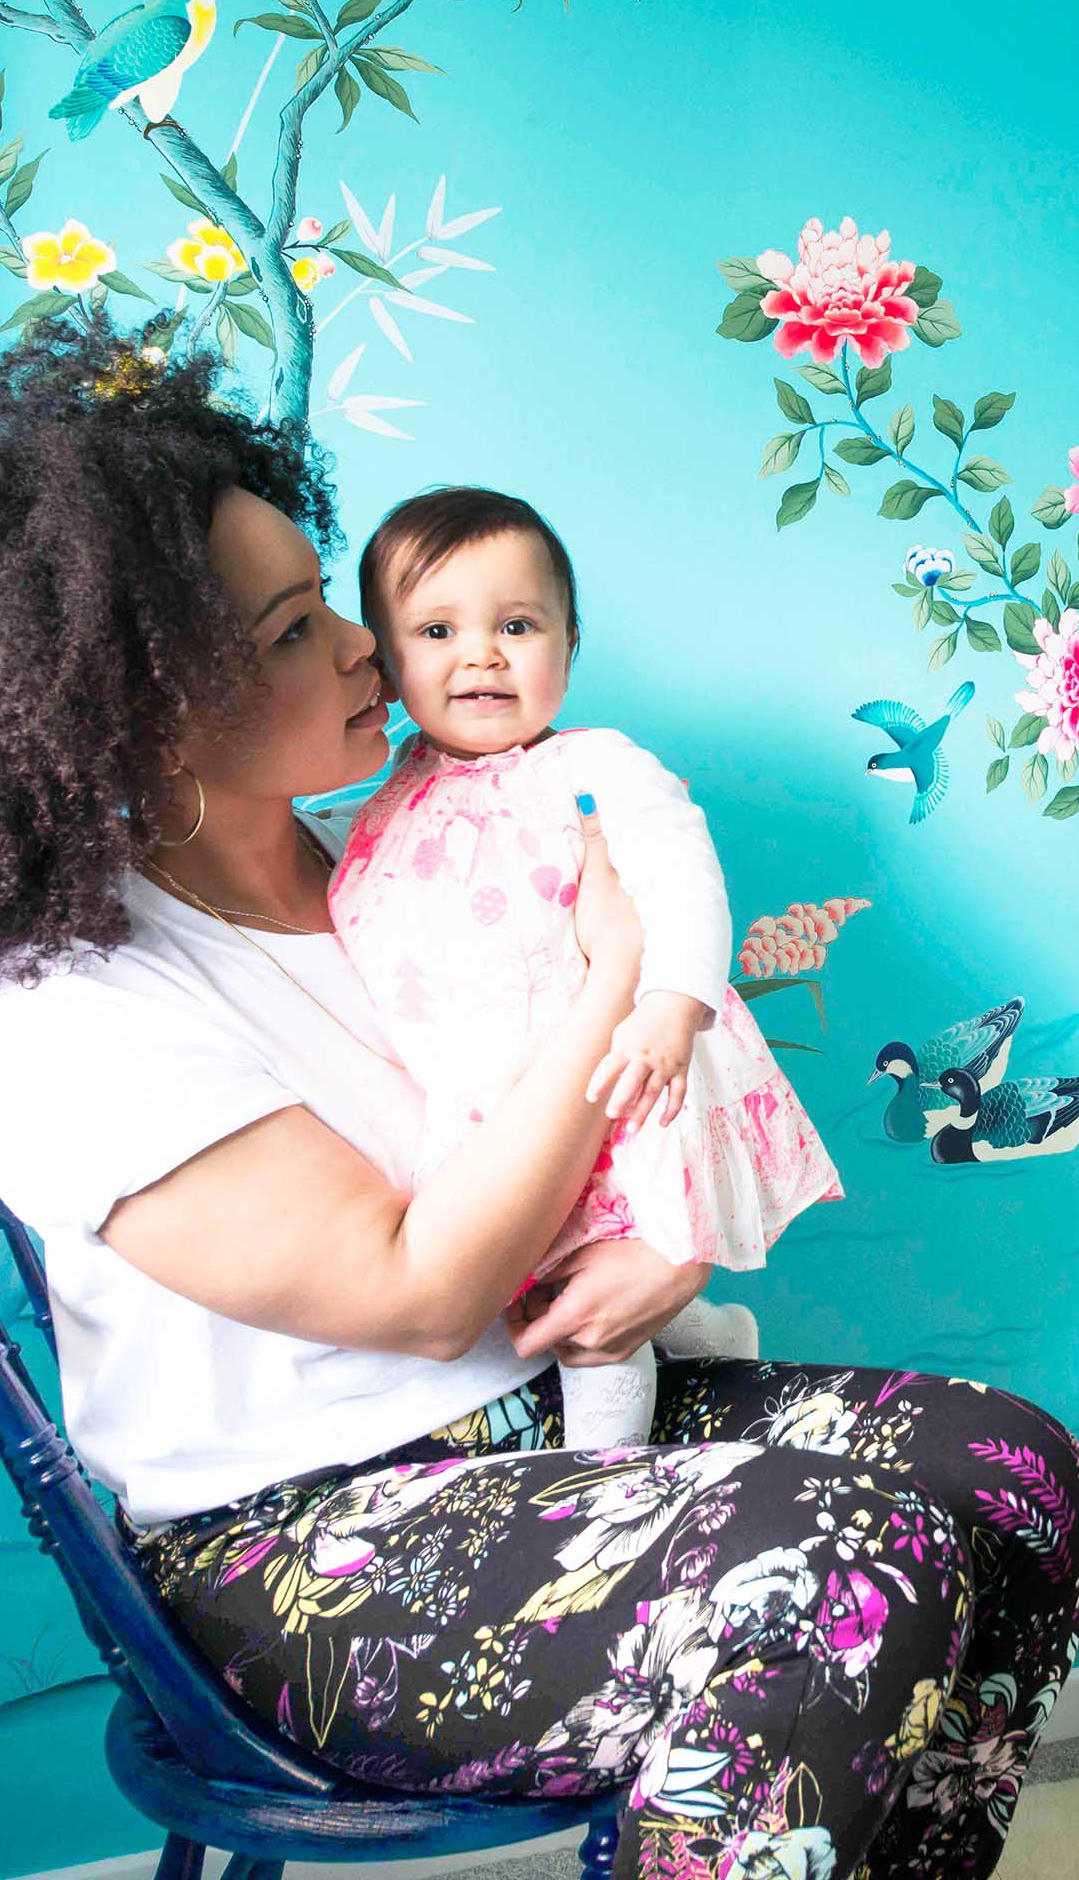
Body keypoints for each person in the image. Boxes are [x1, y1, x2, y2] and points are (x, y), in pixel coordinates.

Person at [0, 313, 1079, 1879]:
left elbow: (646, 1078)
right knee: (843, 1564)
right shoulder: (80, 1001)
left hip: (537, 1409)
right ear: (131, 713)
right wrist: (602, 988)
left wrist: (678, 1239)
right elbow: (422, 1281)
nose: (364, 649)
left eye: (324, 602)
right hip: (295, 1550)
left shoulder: (406, 855)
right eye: (290, 632)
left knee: (1009, 1476)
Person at [327, 484, 837, 1452]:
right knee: (540, 1272)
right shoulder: (386, 798)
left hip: (609, 1076)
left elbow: (683, 873)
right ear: (389, 663)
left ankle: (605, 1477)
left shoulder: (594, 765)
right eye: (438, 629)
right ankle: (712, 1338)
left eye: (517, 624)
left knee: (593, 1317)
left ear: (569, 641)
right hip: (491, 1108)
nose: (481, 653)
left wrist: (673, 1003)